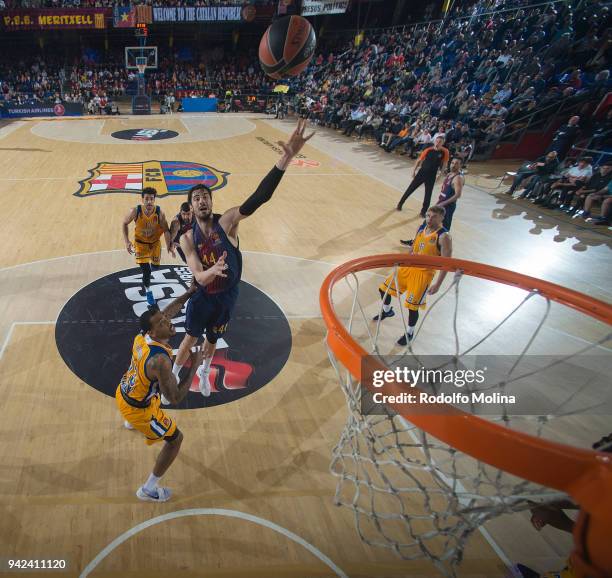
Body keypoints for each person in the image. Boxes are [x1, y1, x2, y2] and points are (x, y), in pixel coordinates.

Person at [172, 119, 315, 398]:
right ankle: (174, 376)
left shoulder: (227, 222)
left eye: (205, 197)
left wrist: (285, 158)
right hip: (203, 295)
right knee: (190, 338)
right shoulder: (187, 238)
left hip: (227, 296)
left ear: (211, 202)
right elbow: (198, 276)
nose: (202, 201)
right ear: (191, 206)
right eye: (197, 198)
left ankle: (203, 372)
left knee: (212, 340)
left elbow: (258, 198)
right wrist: (211, 270)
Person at [116, 286, 203, 502]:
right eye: (162, 323)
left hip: (123, 391)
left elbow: (167, 312)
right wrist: (194, 367)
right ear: (153, 333)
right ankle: (148, 489)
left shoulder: (142, 337)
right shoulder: (160, 361)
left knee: (148, 391)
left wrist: (189, 292)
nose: (167, 321)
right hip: (139, 410)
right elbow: (174, 397)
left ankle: (129, 422)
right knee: (175, 439)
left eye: (165, 318)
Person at [375, 206, 452, 346]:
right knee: (383, 289)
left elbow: (447, 263)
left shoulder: (444, 237)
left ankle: (410, 332)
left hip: (423, 274)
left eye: (433, 216)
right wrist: (402, 261)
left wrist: (438, 284)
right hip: (407, 268)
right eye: (428, 216)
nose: (429, 219)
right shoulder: (421, 229)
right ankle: (387, 311)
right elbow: (412, 248)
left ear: (441, 217)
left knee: (412, 307)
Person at [123, 187, 174, 306]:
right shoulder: (135, 211)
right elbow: (124, 223)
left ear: (154, 200)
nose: (149, 202)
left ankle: (152, 267)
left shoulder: (159, 213)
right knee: (146, 271)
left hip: (155, 243)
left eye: (152, 199)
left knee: (155, 268)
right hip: (140, 245)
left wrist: (169, 245)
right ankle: (148, 291)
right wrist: (126, 241)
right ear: (142, 200)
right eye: (147, 199)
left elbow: (166, 230)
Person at [396, 135, 450, 217]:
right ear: (435, 141)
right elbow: (419, 160)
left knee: (428, 195)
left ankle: (423, 212)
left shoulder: (445, 152)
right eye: (437, 141)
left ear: (443, 143)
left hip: (432, 175)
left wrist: (440, 175)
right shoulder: (428, 150)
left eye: (440, 142)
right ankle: (400, 204)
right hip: (421, 173)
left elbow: (444, 164)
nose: (438, 143)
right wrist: (414, 171)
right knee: (410, 189)